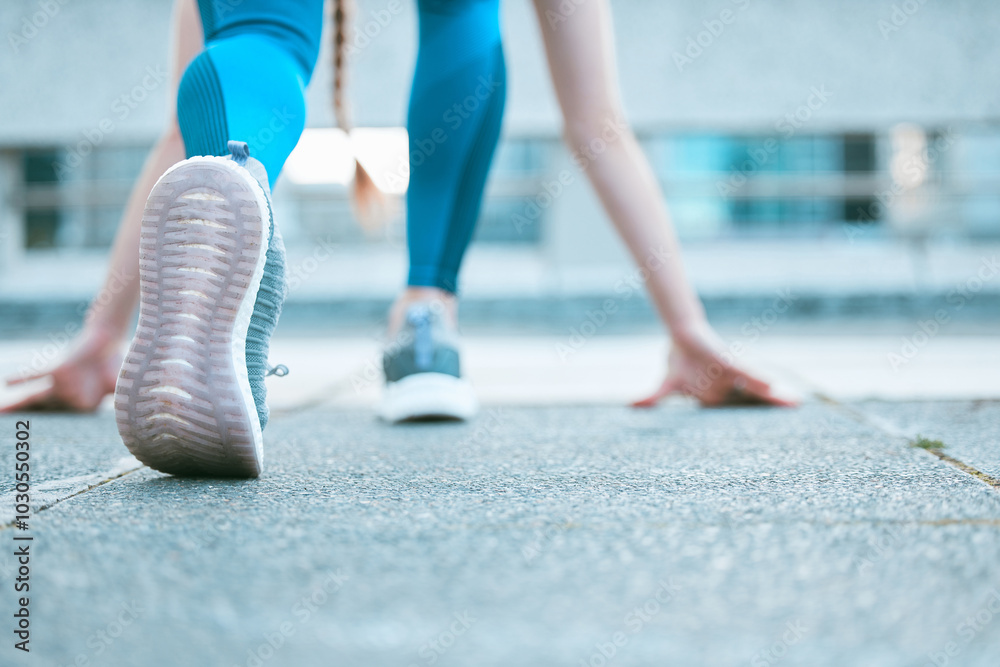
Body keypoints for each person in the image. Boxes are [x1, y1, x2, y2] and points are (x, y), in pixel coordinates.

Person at [2, 0, 792, 459]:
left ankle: (239, 169)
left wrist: (102, 335)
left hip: (220, 108)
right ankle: (426, 318)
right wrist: (687, 328)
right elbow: (598, 123)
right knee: (464, 19)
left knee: (252, 41)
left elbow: (181, 132)